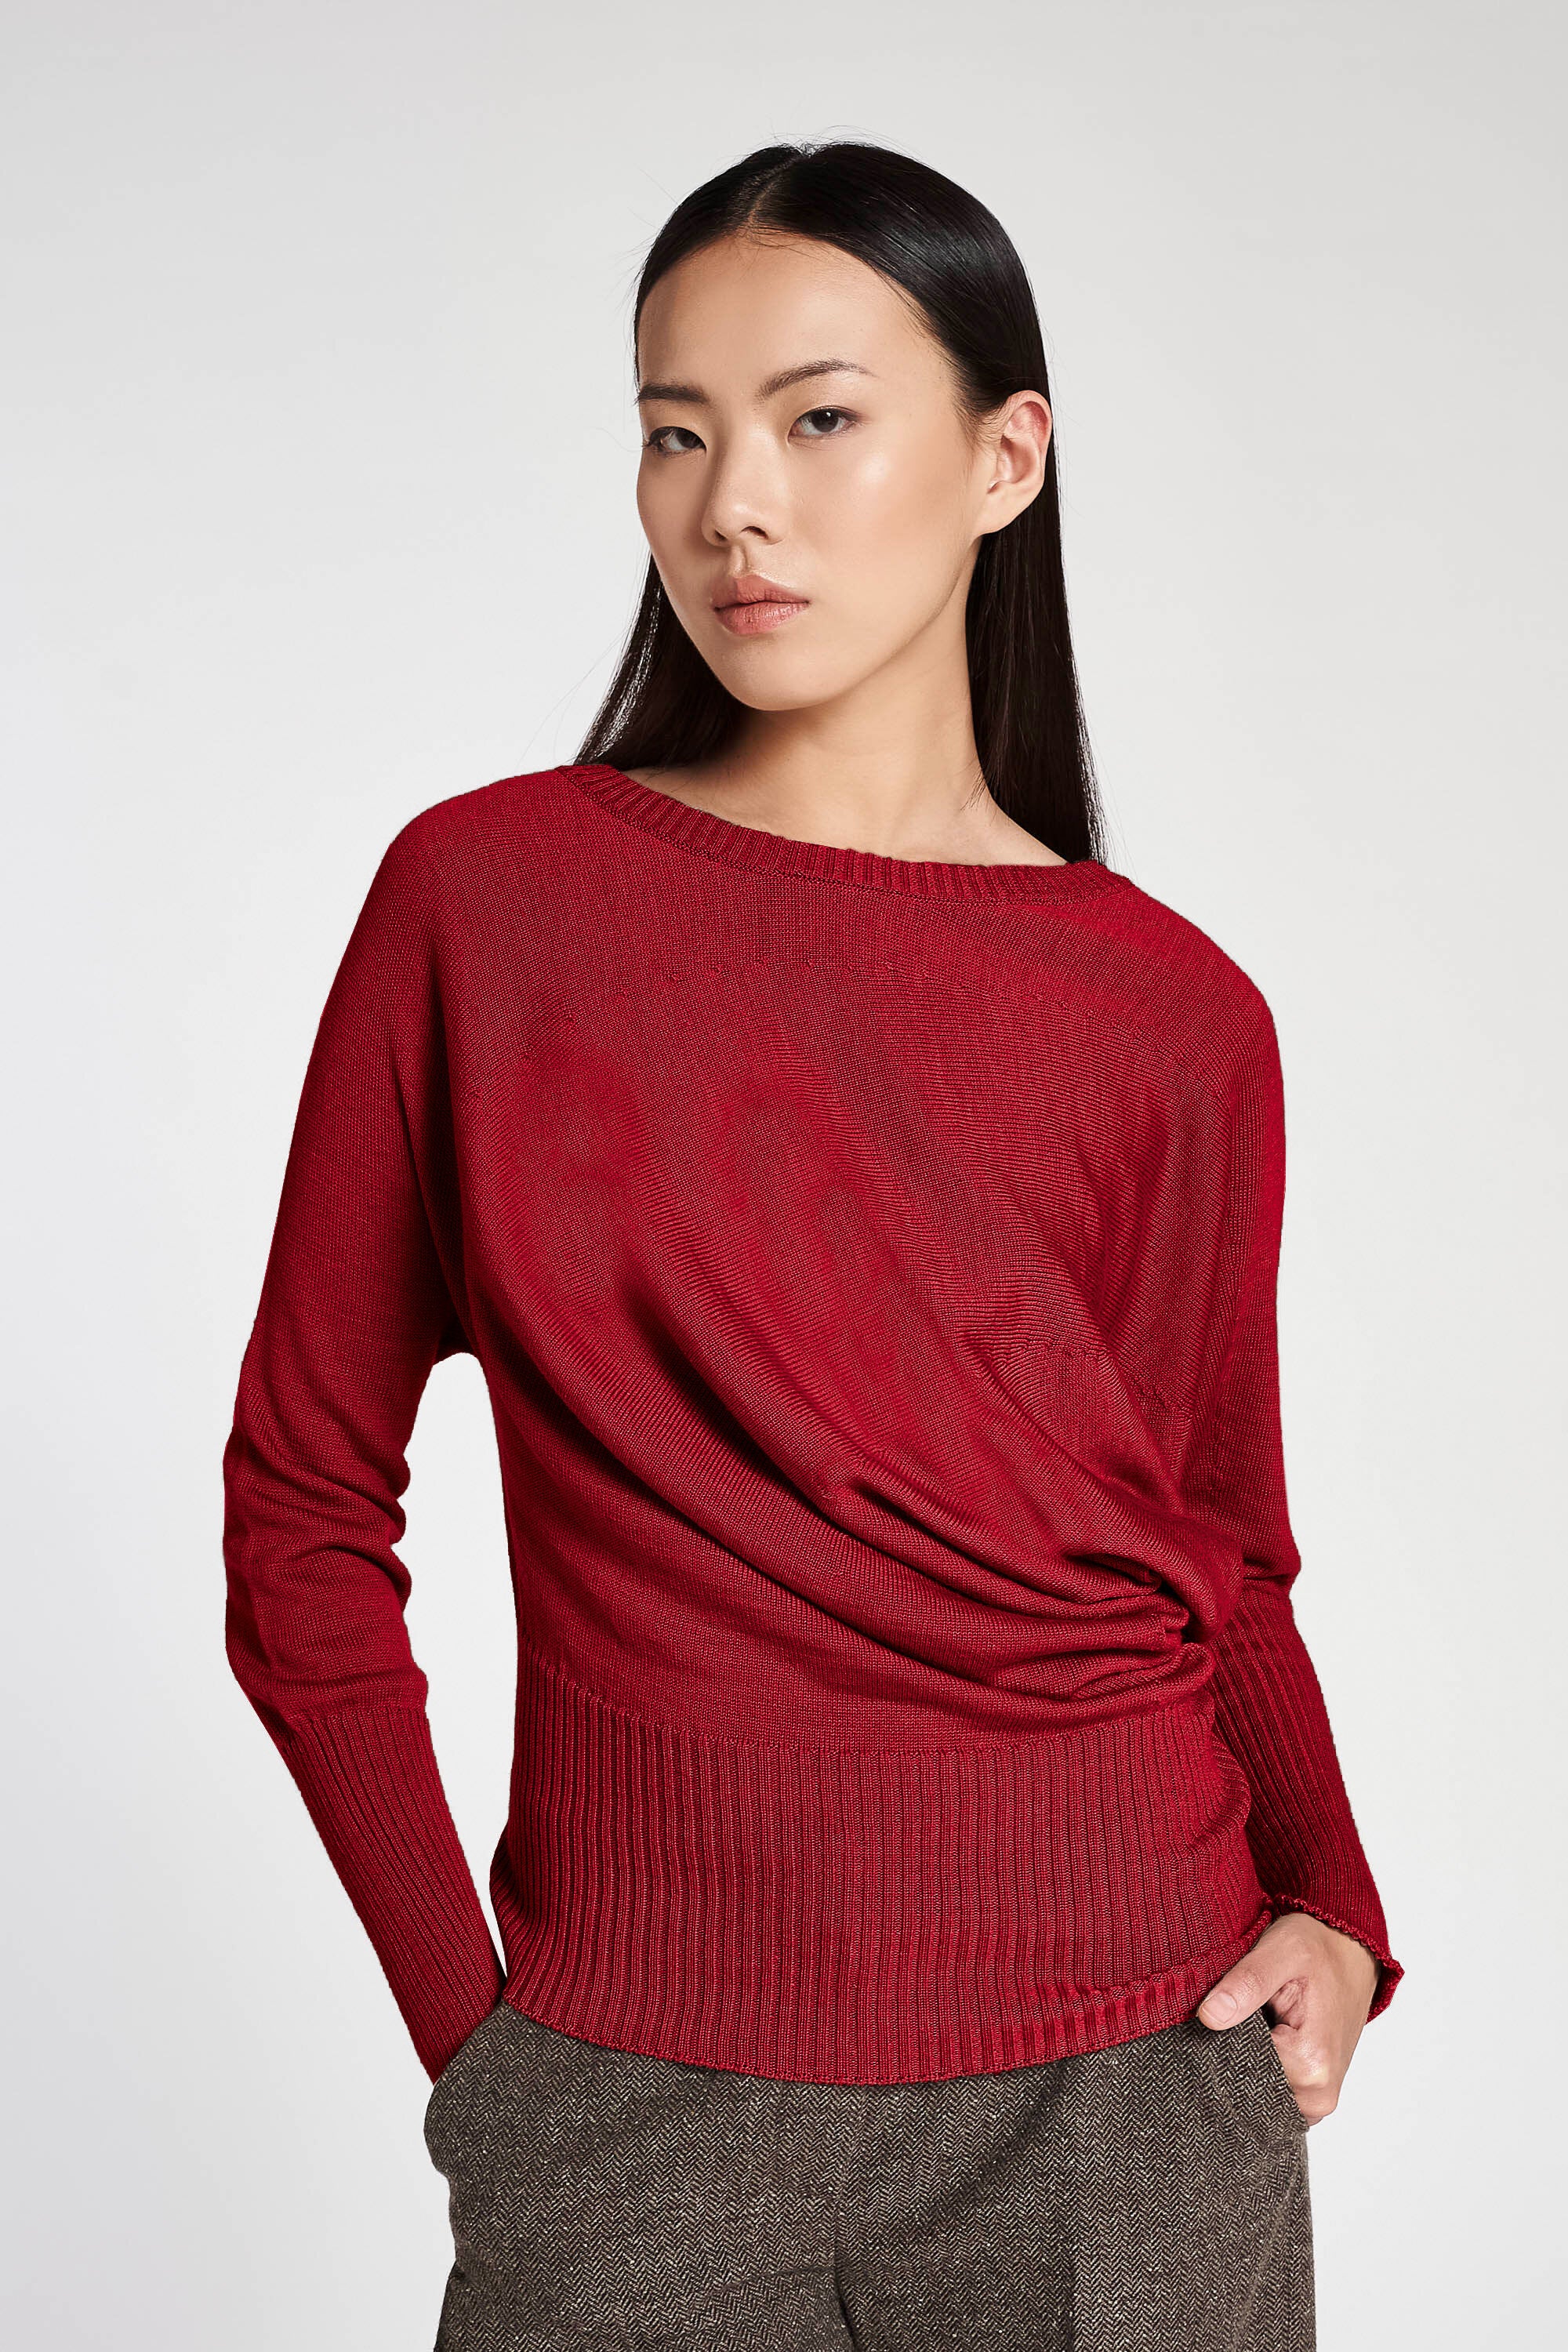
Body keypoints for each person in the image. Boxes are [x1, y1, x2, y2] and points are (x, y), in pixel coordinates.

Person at [222, 138, 1403, 2352]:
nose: (733, 505)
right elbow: (301, 1504)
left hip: (1131, 2088)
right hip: (627, 2103)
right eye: (676, 432)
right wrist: (482, 2052)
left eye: (819, 417)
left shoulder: (1175, 1015)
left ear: (1005, 460)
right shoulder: (487, 906)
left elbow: (1217, 1550)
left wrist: (1338, 1903)